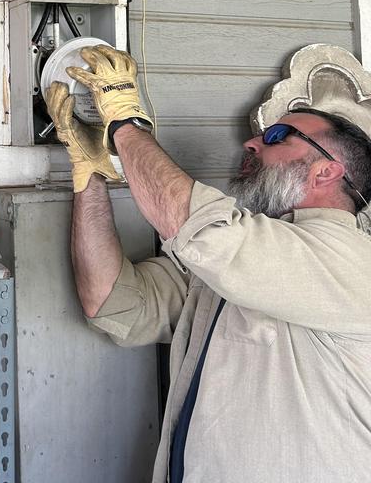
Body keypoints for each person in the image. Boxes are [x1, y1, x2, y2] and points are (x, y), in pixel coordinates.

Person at [45, 45, 371, 483]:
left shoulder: (349, 260)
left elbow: (205, 233)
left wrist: (124, 121)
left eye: (277, 137)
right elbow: (115, 305)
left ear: (327, 172)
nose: (250, 141)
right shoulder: (246, 256)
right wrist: (90, 175)